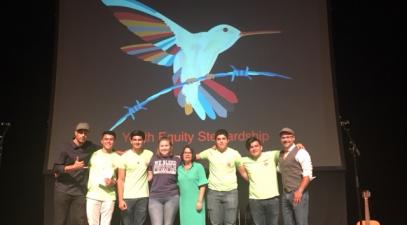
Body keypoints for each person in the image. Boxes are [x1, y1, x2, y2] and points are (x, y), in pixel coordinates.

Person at [53, 122, 99, 225]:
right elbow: (56, 168)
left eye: (85, 133)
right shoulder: (65, 147)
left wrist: (125, 152)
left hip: (79, 191)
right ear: (75, 133)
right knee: (60, 221)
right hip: (63, 190)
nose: (83, 135)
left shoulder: (90, 146)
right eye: (80, 132)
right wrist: (73, 167)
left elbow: (106, 149)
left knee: (79, 221)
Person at [196, 129, 245, 225]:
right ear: (215, 141)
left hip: (231, 192)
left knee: (230, 223)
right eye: (218, 139)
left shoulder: (235, 153)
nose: (221, 141)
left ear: (228, 140)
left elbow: (243, 172)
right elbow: (195, 157)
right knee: (215, 223)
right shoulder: (210, 152)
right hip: (213, 193)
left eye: (223, 138)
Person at [239, 137, 280, 225]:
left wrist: (297, 146)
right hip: (255, 201)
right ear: (248, 150)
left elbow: (286, 152)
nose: (254, 148)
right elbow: (234, 162)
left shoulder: (271, 155)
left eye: (256, 146)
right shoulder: (244, 160)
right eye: (251, 147)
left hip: (272, 199)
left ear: (261, 147)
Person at [278, 128, 313, 225]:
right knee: (288, 223)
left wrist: (300, 191)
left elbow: (308, 174)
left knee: (301, 223)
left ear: (293, 138)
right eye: (283, 137)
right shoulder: (280, 154)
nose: (286, 139)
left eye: (288, 137)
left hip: (298, 193)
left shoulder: (301, 152)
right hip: (285, 194)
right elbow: (280, 170)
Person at [117, 130, 153, 225]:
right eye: (135, 140)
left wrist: (149, 175)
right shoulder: (124, 157)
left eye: (140, 140)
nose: (137, 142)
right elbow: (120, 180)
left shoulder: (149, 154)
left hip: (143, 197)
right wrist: (120, 200)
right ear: (130, 141)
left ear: (144, 141)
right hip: (128, 197)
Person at [86, 130, 121, 225]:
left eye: (111, 139)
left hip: (109, 196)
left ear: (114, 141)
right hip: (93, 195)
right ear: (101, 141)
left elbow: (119, 179)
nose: (108, 141)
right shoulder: (94, 154)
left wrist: (112, 182)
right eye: (106, 139)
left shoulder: (118, 157)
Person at [147, 137, 181, 225]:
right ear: (158, 147)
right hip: (155, 197)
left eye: (166, 145)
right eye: (162, 146)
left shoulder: (177, 160)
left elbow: (190, 156)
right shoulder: (153, 159)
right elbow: (149, 176)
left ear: (170, 147)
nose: (164, 147)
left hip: (172, 197)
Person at [177, 145, 208, 225]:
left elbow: (203, 185)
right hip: (184, 203)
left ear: (193, 155)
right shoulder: (179, 169)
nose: (187, 154)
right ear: (182, 155)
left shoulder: (198, 167)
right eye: (185, 153)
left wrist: (199, 201)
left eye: (189, 153)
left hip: (196, 201)